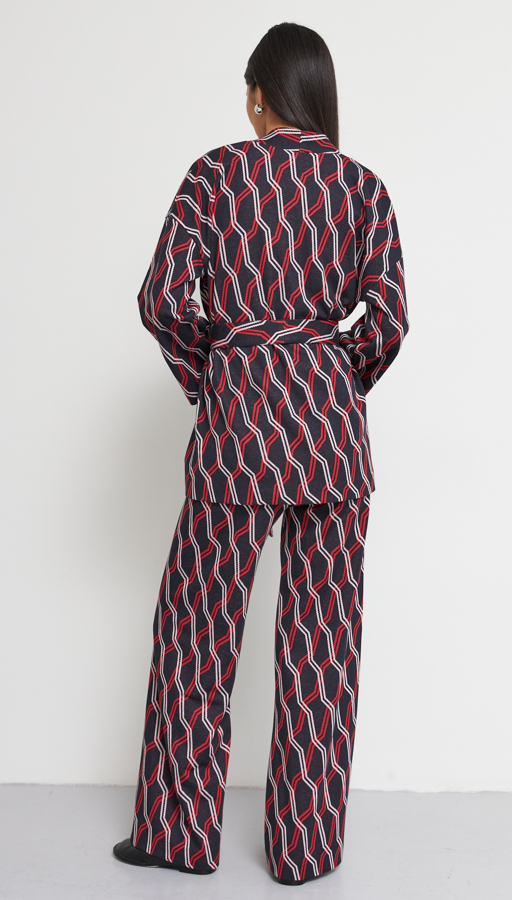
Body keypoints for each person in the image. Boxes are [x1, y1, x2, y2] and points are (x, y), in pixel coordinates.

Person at [112, 20, 409, 887]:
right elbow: (390, 321)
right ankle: (304, 851)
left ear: (256, 97)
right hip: (329, 435)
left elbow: (162, 299)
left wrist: (219, 372)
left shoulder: (215, 176)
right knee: (323, 645)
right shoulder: (363, 188)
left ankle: (177, 837)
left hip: (237, 426)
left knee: (196, 631)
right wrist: (329, 376)